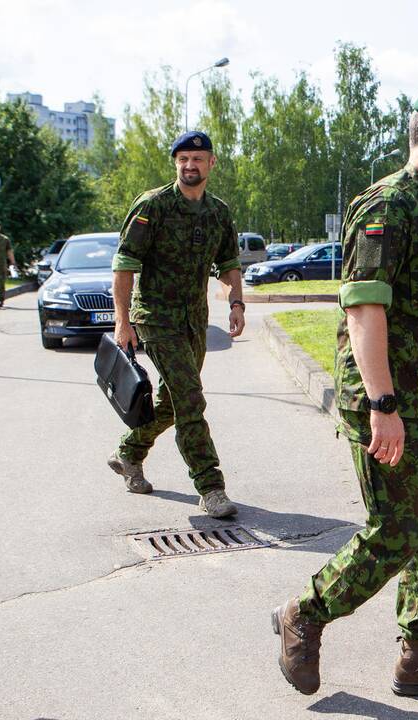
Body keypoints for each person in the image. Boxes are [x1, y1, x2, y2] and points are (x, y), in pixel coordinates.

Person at [271, 87, 418, 701]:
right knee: (397, 529)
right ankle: (304, 614)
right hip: (387, 397)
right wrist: (382, 405)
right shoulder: (389, 206)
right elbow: (366, 311)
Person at [107, 131, 245, 519]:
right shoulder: (153, 206)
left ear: (211, 164)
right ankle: (211, 486)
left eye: (197, 159)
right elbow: (124, 265)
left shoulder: (218, 211)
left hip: (193, 321)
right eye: (183, 159)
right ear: (175, 163)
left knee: (172, 403)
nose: (190, 166)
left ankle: (129, 453)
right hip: (155, 318)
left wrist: (236, 303)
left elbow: (229, 263)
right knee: (190, 398)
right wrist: (123, 321)